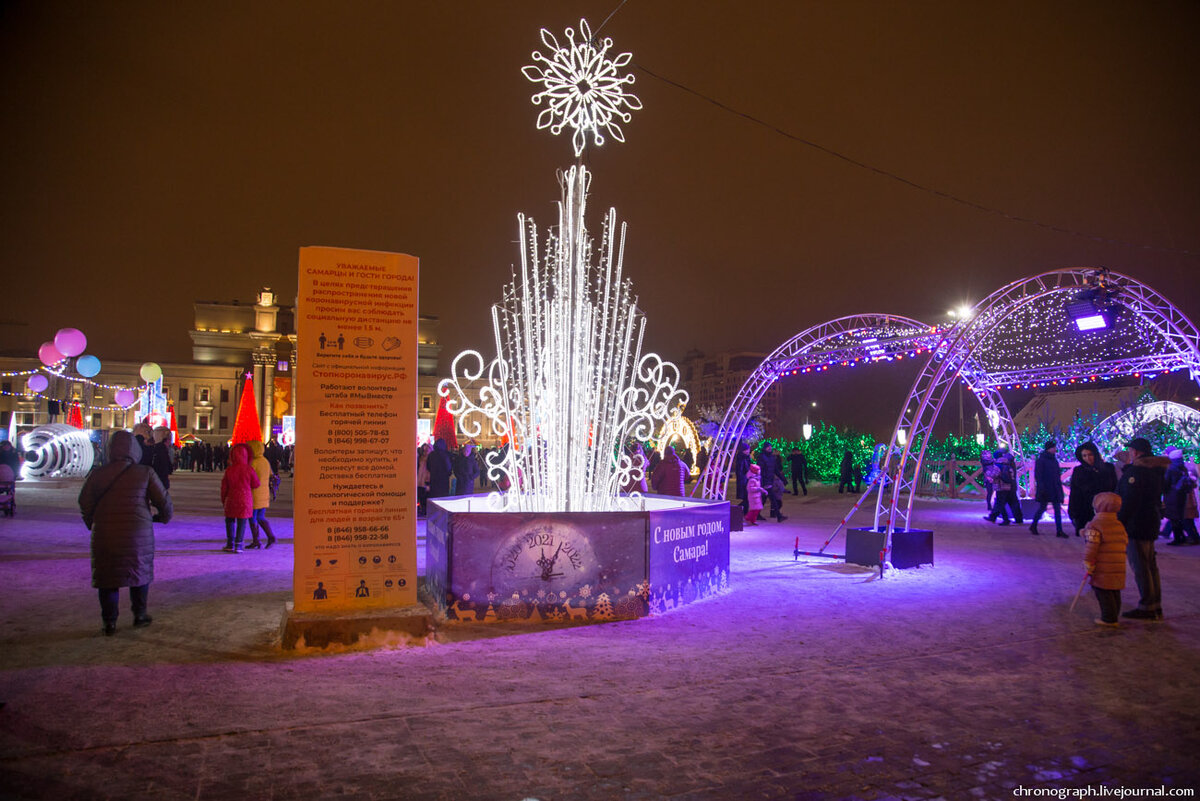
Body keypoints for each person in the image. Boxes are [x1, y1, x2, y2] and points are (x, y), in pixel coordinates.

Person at [78, 430, 172, 635]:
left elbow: (84, 501)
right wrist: (163, 518)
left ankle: (109, 622)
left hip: (105, 534)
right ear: (135, 450)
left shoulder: (98, 474)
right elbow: (163, 501)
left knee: (108, 578)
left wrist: (92, 522)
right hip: (138, 533)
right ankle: (139, 614)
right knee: (138, 573)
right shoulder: (145, 472)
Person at [1117, 437, 1169, 621]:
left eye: (1131, 450)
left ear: (1136, 452)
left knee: (1140, 565)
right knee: (1150, 565)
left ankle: (1147, 605)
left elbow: (1129, 499)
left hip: (1137, 523)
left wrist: (1119, 521)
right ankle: (1155, 604)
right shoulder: (1156, 470)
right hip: (1151, 520)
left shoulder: (1138, 472)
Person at [1081, 492, 1128, 628]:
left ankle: (1108, 618)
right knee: (1114, 590)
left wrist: (1087, 561)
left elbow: (1092, 545)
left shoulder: (1094, 525)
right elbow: (1124, 540)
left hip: (1102, 566)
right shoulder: (1118, 524)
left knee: (1102, 591)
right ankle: (1114, 615)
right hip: (1118, 563)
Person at [1067, 441, 1118, 535]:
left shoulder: (1108, 468)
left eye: (1090, 454)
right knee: (1092, 543)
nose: (1087, 458)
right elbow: (1075, 493)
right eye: (1084, 456)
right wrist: (1073, 514)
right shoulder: (1079, 471)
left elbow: (1114, 488)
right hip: (1086, 512)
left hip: (1106, 511)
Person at [220, 443, 259, 553]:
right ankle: (239, 544)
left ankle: (230, 543)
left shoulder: (229, 470)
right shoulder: (249, 469)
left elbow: (224, 488)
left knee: (230, 520)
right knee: (242, 521)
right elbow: (256, 484)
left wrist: (224, 500)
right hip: (245, 499)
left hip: (231, 498)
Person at [1163, 448, 1200, 546]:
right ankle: (1182, 537)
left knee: (1174, 518)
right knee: (1179, 517)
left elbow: (1166, 483)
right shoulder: (1183, 468)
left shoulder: (1171, 469)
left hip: (1172, 496)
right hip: (1182, 496)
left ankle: (1178, 538)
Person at [1030, 440, 1066, 537]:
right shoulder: (1041, 460)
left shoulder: (1054, 460)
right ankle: (1033, 525)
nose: (1055, 449)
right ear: (1049, 448)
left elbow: (1057, 475)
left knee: (1057, 509)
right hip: (1046, 488)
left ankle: (1059, 530)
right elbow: (1038, 475)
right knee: (1042, 508)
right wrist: (1041, 488)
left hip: (1054, 488)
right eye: (1053, 447)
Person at [245, 441, 277, 549]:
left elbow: (248, 478)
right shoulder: (265, 461)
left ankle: (256, 540)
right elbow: (271, 475)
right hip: (264, 494)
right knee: (260, 517)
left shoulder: (253, 463)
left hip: (254, 494)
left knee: (252, 518)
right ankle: (271, 537)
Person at [756, 443, 787, 521]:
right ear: (765, 448)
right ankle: (778, 516)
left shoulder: (772, 458)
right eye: (768, 447)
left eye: (770, 447)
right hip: (765, 481)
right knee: (772, 499)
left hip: (769, 481)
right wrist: (762, 481)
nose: (770, 448)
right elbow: (760, 470)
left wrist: (783, 479)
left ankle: (757, 514)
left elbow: (775, 470)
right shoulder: (761, 457)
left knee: (764, 499)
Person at [734, 442, 751, 516]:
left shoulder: (747, 458)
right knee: (746, 498)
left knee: (747, 499)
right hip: (743, 481)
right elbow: (739, 471)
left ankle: (744, 513)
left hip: (747, 480)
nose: (748, 451)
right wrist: (745, 476)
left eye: (748, 450)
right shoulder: (741, 458)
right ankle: (736, 511)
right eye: (746, 450)